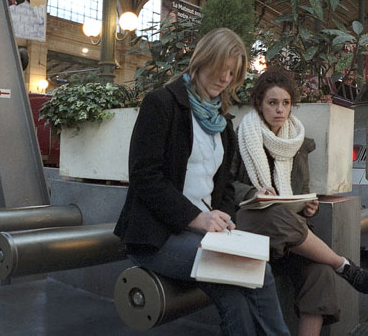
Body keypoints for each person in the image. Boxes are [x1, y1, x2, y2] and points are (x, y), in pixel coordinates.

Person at [114, 28, 290, 335]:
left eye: (232, 73)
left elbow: (223, 185)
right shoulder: (162, 104)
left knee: (236, 300)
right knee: (258, 269)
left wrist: (223, 220)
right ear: (201, 60)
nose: (224, 78)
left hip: (200, 236)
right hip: (158, 237)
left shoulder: (221, 123)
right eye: (220, 67)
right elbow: (144, 176)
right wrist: (196, 217)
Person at [232, 70, 368, 336]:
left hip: (289, 232)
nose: (279, 110)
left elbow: (304, 192)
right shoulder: (242, 136)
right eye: (272, 103)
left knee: (319, 273)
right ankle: (342, 264)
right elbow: (225, 186)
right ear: (259, 104)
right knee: (272, 211)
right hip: (251, 224)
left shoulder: (296, 143)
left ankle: (331, 265)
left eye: (285, 103)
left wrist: (310, 206)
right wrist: (253, 193)